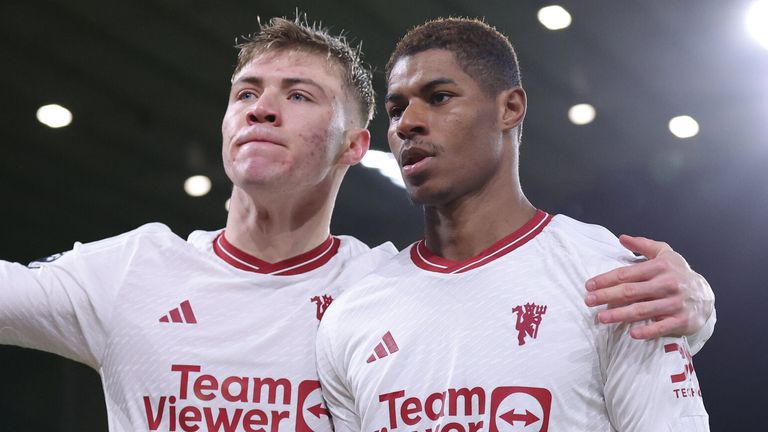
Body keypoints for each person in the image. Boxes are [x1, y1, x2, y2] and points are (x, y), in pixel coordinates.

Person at [1, 16, 711, 432]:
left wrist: (695, 302)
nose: (261, 107)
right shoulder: (126, 272)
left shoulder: (377, 286)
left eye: (298, 94)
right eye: (245, 92)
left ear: (353, 147)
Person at [316, 18, 710, 432]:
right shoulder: (352, 317)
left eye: (439, 97)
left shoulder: (614, 281)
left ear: (510, 108)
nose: (406, 123)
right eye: (396, 109)